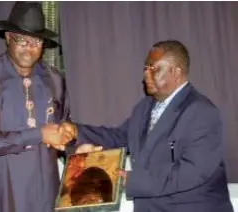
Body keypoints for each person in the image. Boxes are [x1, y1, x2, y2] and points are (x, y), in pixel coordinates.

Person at [60, 40, 234, 212]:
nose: (146, 74)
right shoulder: (144, 107)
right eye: (145, 68)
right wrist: (77, 132)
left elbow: (191, 173)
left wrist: (131, 181)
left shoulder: (202, 112)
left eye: (154, 68)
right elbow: (119, 137)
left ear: (176, 72)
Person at [0, 2, 71, 212]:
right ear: (8, 37)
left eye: (36, 41)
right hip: (1, 195)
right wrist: (37, 134)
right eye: (22, 40)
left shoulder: (54, 79)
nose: (29, 48)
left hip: (45, 196)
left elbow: (62, 128)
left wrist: (73, 141)